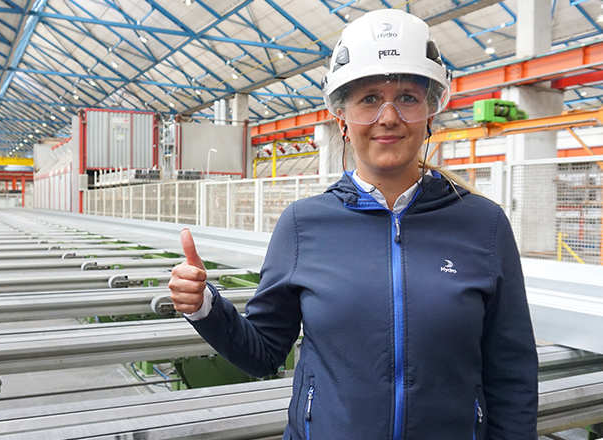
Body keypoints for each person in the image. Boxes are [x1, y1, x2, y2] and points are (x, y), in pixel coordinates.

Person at [169, 8, 537, 440]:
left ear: (430, 112)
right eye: (369, 99)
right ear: (341, 118)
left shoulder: (483, 224)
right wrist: (204, 307)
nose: (388, 117)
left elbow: (511, 372)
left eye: (407, 97)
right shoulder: (303, 225)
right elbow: (264, 353)